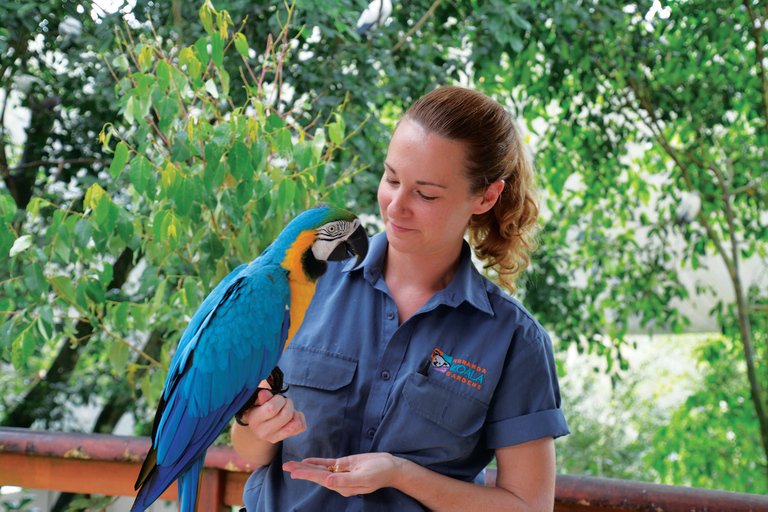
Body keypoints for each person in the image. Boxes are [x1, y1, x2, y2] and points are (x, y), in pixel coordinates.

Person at [232, 86, 569, 511]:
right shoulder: (302, 285)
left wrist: (401, 474)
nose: (395, 206)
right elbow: (251, 450)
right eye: (391, 178)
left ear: (485, 197)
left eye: (426, 194)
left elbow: (528, 507)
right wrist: (256, 425)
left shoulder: (515, 340)